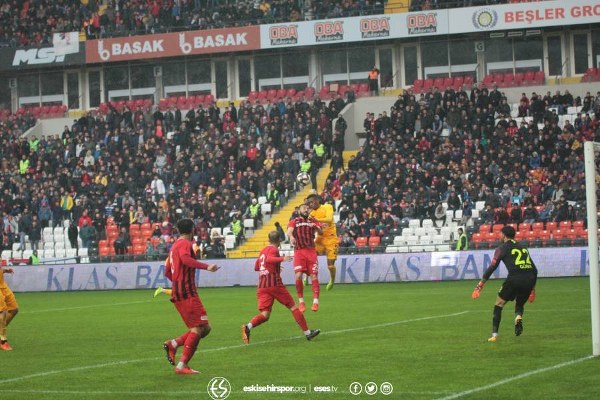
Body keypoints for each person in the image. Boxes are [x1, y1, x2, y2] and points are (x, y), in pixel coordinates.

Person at [162, 218, 220, 374]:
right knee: (198, 329)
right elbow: (186, 260)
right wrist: (207, 266)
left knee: (205, 328)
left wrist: (177, 282)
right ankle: (181, 366)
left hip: (180, 292)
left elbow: (167, 271)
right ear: (192, 230)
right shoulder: (185, 245)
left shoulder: (174, 247)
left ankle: (173, 344)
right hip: (187, 292)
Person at [241, 231, 320, 344]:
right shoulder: (274, 250)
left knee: (265, 315)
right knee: (293, 307)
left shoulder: (263, 250)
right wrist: (282, 259)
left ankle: (248, 327)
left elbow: (256, 267)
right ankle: (308, 333)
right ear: (279, 241)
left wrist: (273, 267)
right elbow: (269, 259)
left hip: (262, 285)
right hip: (274, 284)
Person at [471, 226, 537, 342]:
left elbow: (492, 267)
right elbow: (534, 269)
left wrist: (480, 284)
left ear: (504, 235)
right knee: (519, 303)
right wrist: (532, 288)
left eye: (501, 234)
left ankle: (494, 335)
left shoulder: (502, 248)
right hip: (529, 279)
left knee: (498, 304)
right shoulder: (523, 247)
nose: (500, 236)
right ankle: (518, 317)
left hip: (514, 279)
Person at [287, 203, 323, 313]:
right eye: (304, 208)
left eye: (307, 208)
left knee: (313, 276)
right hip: (299, 252)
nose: (306, 210)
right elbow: (289, 231)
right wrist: (292, 237)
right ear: (299, 211)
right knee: (298, 275)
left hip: (311, 251)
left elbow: (321, 232)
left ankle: (315, 302)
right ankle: (301, 302)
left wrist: (316, 227)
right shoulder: (294, 221)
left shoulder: (313, 220)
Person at [306, 194, 338, 291]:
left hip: (331, 239)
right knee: (309, 258)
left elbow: (328, 219)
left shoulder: (327, 206)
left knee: (330, 265)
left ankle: (332, 280)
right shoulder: (311, 214)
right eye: (309, 203)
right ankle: (306, 277)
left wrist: (316, 220)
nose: (311, 204)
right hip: (319, 239)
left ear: (317, 200)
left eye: (312, 202)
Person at [0, 266, 19, 350]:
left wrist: (5, 270)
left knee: (14, 309)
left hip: (2, 285)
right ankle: (3, 340)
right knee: (2, 311)